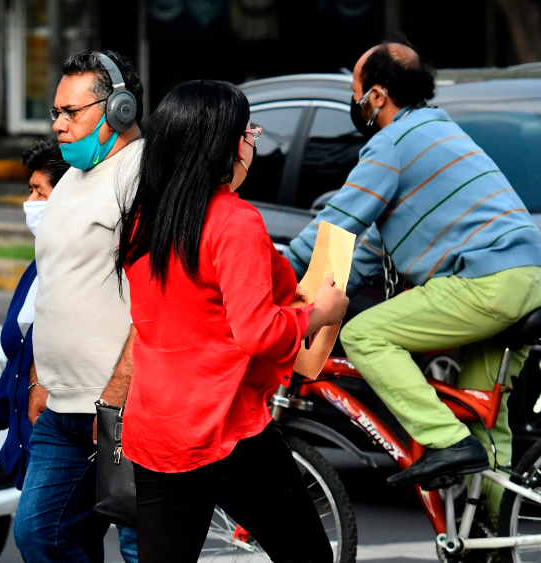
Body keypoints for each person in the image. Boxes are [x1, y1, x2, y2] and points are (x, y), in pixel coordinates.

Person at [284, 39, 541, 514]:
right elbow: (364, 252)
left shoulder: (392, 143)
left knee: (365, 335)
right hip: (526, 278)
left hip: (487, 282)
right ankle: (492, 534)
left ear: (377, 95)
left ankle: (445, 440)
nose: (355, 102)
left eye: (356, 92)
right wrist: (322, 291)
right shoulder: (439, 131)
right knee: (483, 416)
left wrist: (276, 271)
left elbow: (338, 223)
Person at [117, 79, 347, 563]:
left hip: (156, 429)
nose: (252, 143)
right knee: (309, 556)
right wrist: (321, 313)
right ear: (223, 146)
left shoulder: (144, 218)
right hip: (224, 426)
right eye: (249, 132)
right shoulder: (234, 221)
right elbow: (258, 333)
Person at [14, 50, 143, 563]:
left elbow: (156, 302)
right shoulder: (71, 176)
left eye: (71, 112)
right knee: (41, 535)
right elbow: (55, 286)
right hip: (61, 409)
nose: (58, 125)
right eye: (56, 112)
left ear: (119, 111)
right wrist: (40, 377)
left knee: (142, 548)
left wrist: (117, 394)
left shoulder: (141, 176)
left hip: (123, 411)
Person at [0, 138, 69, 488]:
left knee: (41, 524)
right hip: (26, 456)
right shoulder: (35, 269)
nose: (30, 203)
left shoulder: (81, 272)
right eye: (30, 190)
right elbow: (19, 361)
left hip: (63, 451)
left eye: (40, 192)